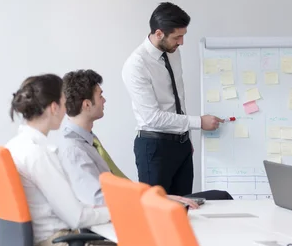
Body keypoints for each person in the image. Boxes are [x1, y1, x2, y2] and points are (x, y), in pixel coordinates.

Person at [5, 74, 119, 246]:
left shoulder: (16, 146)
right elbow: (77, 216)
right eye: (65, 101)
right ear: (54, 107)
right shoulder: (38, 154)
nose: (69, 108)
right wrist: (120, 211)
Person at [58, 69, 232, 208]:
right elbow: (98, 200)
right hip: (127, 218)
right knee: (218, 198)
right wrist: (150, 200)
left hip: (138, 205)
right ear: (87, 104)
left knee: (213, 200)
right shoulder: (74, 149)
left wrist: (156, 197)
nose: (104, 100)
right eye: (100, 95)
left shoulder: (88, 141)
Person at [122, 2, 223, 195]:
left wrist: (186, 137)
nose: (181, 42)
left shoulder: (173, 53)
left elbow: (179, 99)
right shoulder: (136, 65)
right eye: (177, 37)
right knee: (157, 213)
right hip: (155, 148)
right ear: (159, 34)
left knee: (186, 208)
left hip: (181, 145)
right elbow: (152, 117)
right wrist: (198, 122)